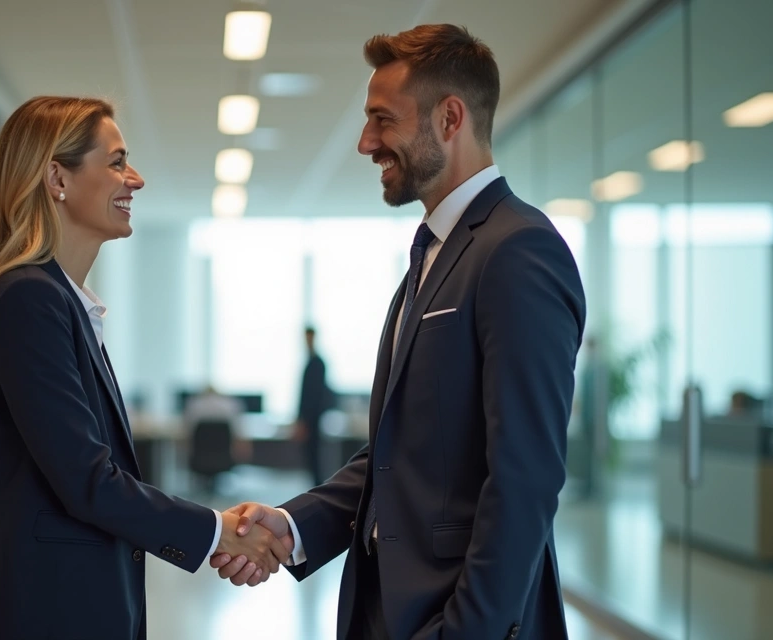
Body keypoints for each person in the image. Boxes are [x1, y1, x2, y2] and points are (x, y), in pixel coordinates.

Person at [212, 25, 586, 640]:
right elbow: (399, 455)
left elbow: (525, 477)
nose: (366, 142)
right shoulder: (430, 257)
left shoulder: (518, 249)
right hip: (390, 605)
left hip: (458, 618)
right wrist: (293, 524)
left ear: (449, 117)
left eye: (382, 120)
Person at [0, 96, 290, 640]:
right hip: (41, 611)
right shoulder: (29, 298)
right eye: (117, 161)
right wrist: (219, 530)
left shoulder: (61, 301)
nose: (137, 179)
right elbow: (87, 480)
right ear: (58, 177)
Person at [295, 326, 335, 486]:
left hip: (313, 418)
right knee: (310, 457)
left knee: (314, 457)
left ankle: (317, 487)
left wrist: (305, 421)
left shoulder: (317, 363)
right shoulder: (311, 361)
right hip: (309, 417)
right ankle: (315, 486)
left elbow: (313, 395)